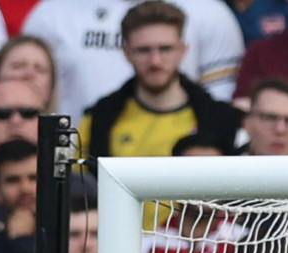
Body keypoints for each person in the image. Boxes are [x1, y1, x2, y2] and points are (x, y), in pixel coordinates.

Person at [82, 1, 245, 158]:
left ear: (183, 50)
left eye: (165, 49)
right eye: (144, 50)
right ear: (126, 53)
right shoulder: (96, 121)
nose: (155, 61)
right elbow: (78, 177)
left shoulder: (224, 121)